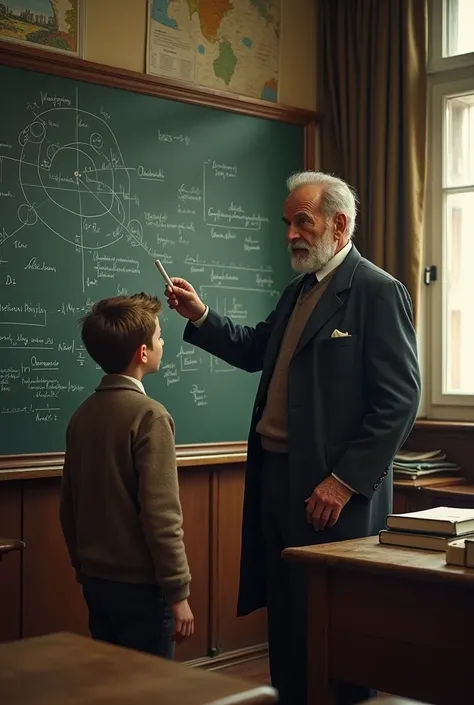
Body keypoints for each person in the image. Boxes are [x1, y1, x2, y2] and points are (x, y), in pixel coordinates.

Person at [164, 171, 421, 704]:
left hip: (334, 493)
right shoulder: (299, 289)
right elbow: (258, 349)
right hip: (277, 478)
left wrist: (343, 483)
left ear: (339, 223)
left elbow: (399, 401)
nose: (290, 234)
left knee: (337, 631)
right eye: (288, 223)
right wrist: (202, 316)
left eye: (302, 221)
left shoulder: (376, 290)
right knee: (287, 618)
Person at [59, 293, 194, 658]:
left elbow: (68, 506)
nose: (163, 342)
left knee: (111, 683)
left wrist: (81, 564)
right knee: (149, 689)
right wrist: (178, 593)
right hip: (142, 589)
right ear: (143, 353)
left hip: (96, 581)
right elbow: (161, 516)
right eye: (160, 336)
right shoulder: (150, 417)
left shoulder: (82, 416)